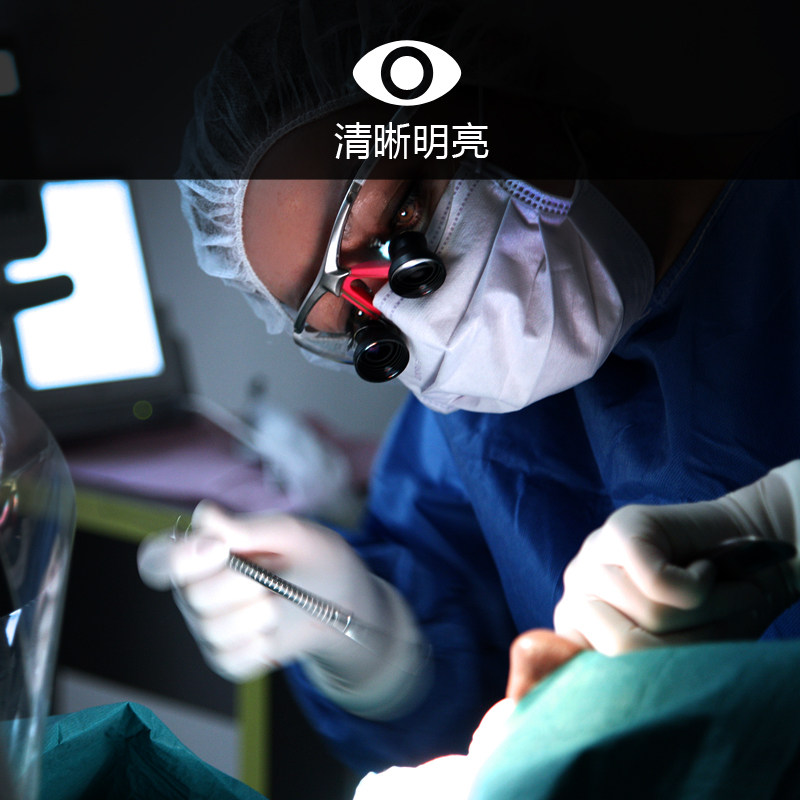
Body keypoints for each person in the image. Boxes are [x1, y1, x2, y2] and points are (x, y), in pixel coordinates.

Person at [147, 0, 800, 776]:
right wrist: (381, 643)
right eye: (361, 321)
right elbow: (492, 694)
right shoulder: (479, 419)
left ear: (489, 93)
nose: (422, 317)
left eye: (402, 221)